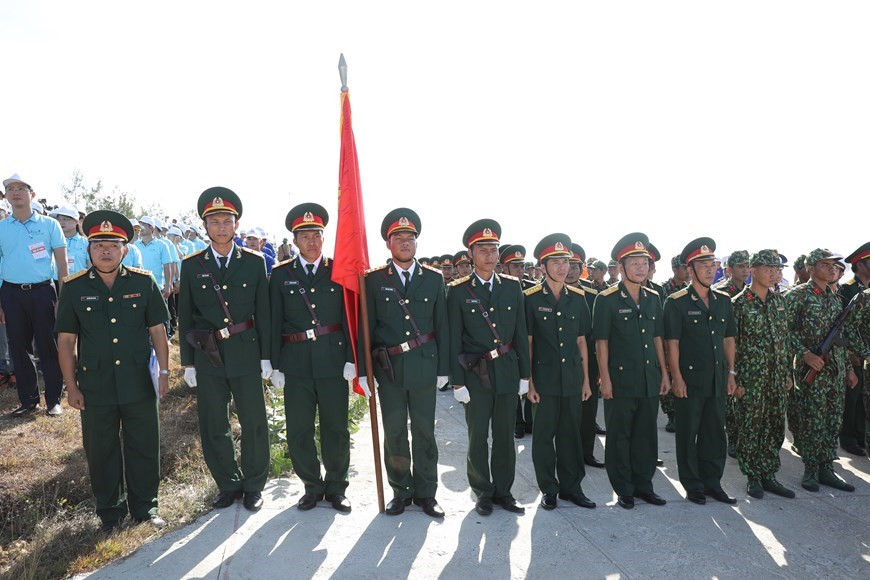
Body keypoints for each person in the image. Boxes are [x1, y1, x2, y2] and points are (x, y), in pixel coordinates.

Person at [56, 210, 170, 532]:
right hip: (96, 386)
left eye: (113, 244)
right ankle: (110, 512)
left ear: (124, 249)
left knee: (144, 446)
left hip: (138, 383)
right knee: (101, 450)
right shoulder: (73, 288)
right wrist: (71, 386)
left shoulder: (143, 282)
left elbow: (158, 332)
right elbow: (66, 343)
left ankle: (146, 508)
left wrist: (164, 373)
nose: (105, 251)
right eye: (98, 245)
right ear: (88, 249)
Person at [179, 187, 272, 512]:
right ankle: (228, 484)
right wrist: (188, 363)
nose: (221, 227)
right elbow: (186, 315)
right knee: (213, 422)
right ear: (205, 226)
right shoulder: (192, 265)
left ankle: (253, 485)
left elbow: (265, 313)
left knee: (254, 421)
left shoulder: (254, 262)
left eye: (227, 221)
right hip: (208, 355)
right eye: (215, 221)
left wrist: (266, 357)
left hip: (247, 352)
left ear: (236, 224)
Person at [357, 208, 448, 517]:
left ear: (416, 244)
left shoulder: (434, 280)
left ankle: (427, 493)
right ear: (388, 243)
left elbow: (443, 326)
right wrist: (361, 370)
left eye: (410, 238)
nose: (405, 243)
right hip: (389, 371)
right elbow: (365, 329)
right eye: (399, 238)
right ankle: (401, 491)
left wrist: (444, 370)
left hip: (424, 366)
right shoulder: (373, 281)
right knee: (395, 432)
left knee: (424, 433)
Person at [269, 202, 355, 513]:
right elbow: (273, 321)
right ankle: (311, 487)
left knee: (335, 427)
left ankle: (336, 488)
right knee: (299, 429)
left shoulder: (339, 270)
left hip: (333, 361)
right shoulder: (281, 275)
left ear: (324, 237)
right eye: (305, 236)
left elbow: (350, 317)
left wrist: (352, 357)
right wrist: (274, 363)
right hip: (296, 364)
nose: (312, 241)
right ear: (294, 240)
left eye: (317, 234)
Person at [448, 219, 530, 516]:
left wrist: (525, 375)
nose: (489, 254)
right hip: (475, 374)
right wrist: (457, 382)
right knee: (478, 435)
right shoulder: (458, 292)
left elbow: (520, 332)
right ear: (471, 254)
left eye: (493, 248)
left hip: (507, 371)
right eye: (482, 249)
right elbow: (453, 339)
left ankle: (504, 491)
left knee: (505, 434)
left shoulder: (511, 286)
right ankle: (483, 491)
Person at [593, 232, 670, 509]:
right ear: (621, 267)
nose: (641, 267)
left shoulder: (653, 297)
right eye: (634, 262)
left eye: (644, 262)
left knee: (646, 436)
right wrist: (605, 378)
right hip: (620, 380)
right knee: (620, 436)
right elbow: (601, 343)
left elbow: (657, 338)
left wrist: (664, 373)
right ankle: (624, 488)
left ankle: (644, 485)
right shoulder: (607, 299)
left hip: (649, 379)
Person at [664, 237, 737, 505]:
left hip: (718, 379)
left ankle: (713, 482)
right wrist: (677, 378)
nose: (710, 269)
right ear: (690, 269)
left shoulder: (723, 300)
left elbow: (729, 339)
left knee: (715, 432)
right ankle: (693, 485)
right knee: (688, 433)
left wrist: (731, 373)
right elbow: (672, 343)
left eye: (713, 264)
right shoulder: (676, 302)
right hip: (690, 380)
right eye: (703, 265)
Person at [525, 233, 596, 510]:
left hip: (572, 380)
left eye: (565, 261)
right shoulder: (529, 299)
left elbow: (582, 342)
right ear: (543, 266)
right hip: (544, 380)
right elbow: (528, 344)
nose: (563, 267)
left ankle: (572, 487)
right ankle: (549, 489)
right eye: (556, 262)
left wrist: (587, 380)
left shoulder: (578, 298)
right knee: (543, 437)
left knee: (571, 436)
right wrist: (529, 383)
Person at [786, 248, 859, 492]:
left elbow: (841, 337)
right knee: (811, 420)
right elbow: (784, 331)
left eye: (834, 265)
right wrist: (804, 354)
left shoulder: (836, 298)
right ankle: (810, 469)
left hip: (835, 371)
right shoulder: (797, 296)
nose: (832, 269)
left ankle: (827, 468)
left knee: (832, 421)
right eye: (826, 264)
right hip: (812, 370)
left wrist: (849, 369)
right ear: (811, 268)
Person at [0, 174, 68, 417]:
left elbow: (62, 265)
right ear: (6, 195)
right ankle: (28, 401)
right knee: (19, 348)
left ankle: (53, 400)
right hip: (11, 294)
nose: (15, 192)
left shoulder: (50, 225)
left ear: (32, 193)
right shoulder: (1, 227)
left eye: (21, 188)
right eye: (10, 189)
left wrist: (63, 297)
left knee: (48, 346)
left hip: (43, 292)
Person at [730, 250, 796, 499]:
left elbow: (784, 340)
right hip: (751, 379)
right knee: (750, 427)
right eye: (768, 269)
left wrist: (788, 373)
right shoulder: (738, 304)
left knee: (776, 426)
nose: (774, 274)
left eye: (777, 270)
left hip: (777, 378)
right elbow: (731, 345)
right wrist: (734, 378)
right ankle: (753, 476)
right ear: (753, 271)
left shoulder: (780, 302)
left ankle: (769, 474)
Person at [568, 242, 605, 467]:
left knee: (588, 412)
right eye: (567, 264)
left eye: (575, 265)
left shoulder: (592, 296)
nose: (570, 270)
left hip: (588, 364)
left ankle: (586, 453)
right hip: (559, 364)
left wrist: (600, 368)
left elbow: (598, 335)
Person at [713, 250, 750, 459]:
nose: (744, 270)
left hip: (747, 354)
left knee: (744, 400)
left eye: (747, 266)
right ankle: (733, 440)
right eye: (740, 266)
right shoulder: (721, 292)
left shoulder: (750, 291)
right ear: (729, 269)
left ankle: (743, 438)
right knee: (730, 402)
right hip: (727, 353)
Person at [839, 242, 870, 456]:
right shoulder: (847, 289)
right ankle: (848, 437)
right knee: (853, 397)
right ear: (860, 264)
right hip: (855, 354)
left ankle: (862, 435)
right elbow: (841, 325)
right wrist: (851, 354)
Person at [659, 255, 690, 433]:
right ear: (675, 269)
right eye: (683, 268)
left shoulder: (688, 290)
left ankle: (681, 412)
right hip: (667, 339)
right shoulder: (664, 289)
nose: (687, 271)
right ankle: (671, 415)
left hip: (684, 342)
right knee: (670, 377)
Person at [52, 205, 89, 275]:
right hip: (56, 282)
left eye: (65, 219)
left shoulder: (86, 242)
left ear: (76, 221)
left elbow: (90, 266)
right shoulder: (53, 241)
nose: (61, 222)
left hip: (79, 282)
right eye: (59, 219)